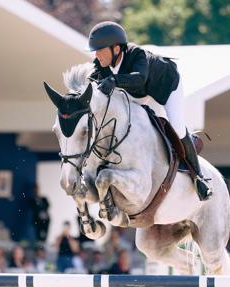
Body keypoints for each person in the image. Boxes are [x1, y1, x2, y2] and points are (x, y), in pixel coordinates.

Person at [87, 21, 211, 201]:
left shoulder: (137, 54)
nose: (96, 54)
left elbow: (139, 78)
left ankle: (199, 177)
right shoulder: (101, 63)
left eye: (99, 49)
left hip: (165, 86)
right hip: (138, 93)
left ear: (116, 48)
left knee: (176, 125)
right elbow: (91, 81)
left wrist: (113, 80)